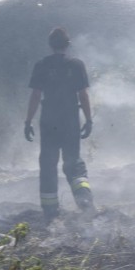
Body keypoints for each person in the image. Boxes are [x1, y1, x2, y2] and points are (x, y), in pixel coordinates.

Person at [24, 27, 94, 220]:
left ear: (50, 45)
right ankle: (85, 203)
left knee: (48, 164)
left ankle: (50, 212)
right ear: (68, 44)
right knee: (73, 163)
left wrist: (28, 121)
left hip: (48, 122)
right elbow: (83, 95)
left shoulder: (41, 65)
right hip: (70, 120)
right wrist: (88, 120)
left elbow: (36, 95)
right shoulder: (77, 65)